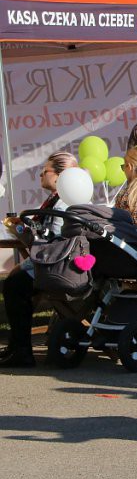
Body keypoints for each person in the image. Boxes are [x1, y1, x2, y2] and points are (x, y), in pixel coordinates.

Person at [0, 152, 77, 368]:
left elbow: (52, 242)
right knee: (17, 279)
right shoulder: (60, 199)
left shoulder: (62, 203)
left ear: (60, 175)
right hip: (62, 265)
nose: (41, 175)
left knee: (15, 285)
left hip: (58, 268)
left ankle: (22, 350)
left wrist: (25, 233)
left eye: (45, 171)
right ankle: (17, 346)